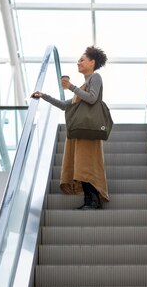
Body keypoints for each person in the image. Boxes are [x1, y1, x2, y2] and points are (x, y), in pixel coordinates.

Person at [31, 46, 109, 210]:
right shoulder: (82, 85)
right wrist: (44, 96)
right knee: (81, 165)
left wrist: (71, 86)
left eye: (82, 59)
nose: (78, 62)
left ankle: (95, 201)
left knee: (87, 164)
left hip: (88, 130)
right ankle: (89, 200)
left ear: (92, 62)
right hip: (80, 131)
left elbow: (92, 98)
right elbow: (65, 105)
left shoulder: (95, 77)